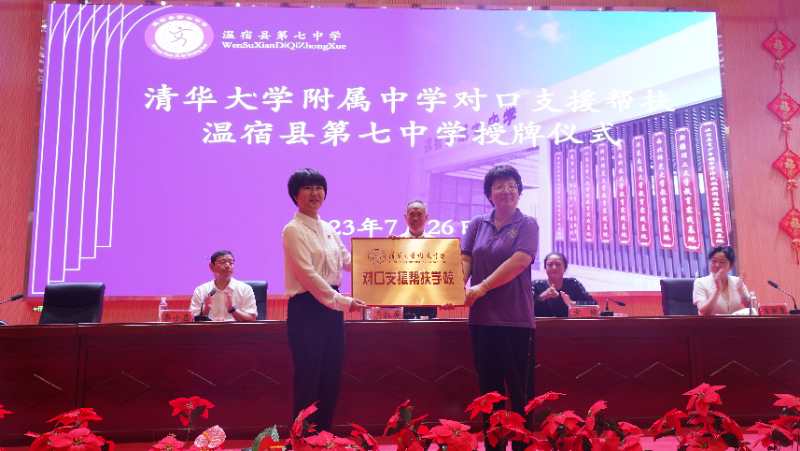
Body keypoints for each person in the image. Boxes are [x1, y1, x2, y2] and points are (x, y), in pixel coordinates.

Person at [282, 168, 367, 431]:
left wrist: (385, 254)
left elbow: (348, 261)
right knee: (309, 378)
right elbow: (308, 276)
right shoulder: (293, 230)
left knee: (330, 375)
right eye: (307, 188)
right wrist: (344, 301)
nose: (315, 193)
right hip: (307, 309)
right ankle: (303, 440)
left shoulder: (328, 227)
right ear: (295, 195)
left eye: (319, 187)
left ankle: (324, 438)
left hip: (331, 309)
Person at [461, 164, 538, 451]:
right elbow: (466, 259)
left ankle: (521, 446)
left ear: (519, 191)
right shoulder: (477, 224)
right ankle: (494, 447)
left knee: (519, 392)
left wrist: (482, 287)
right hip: (482, 319)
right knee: (488, 392)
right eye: (499, 186)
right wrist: (455, 285)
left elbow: (519, 261)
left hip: (515, 319)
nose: (506, 190)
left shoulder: (527, 224)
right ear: (489, 193)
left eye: (512, 185)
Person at [189, 250, 257, 322]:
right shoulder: (201, 291)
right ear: (211, 266)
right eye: (223, 262)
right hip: (210, 328)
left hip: (235, 328)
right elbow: (193, 321)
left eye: (231, 263)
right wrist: (206, 309)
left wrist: (232, 309)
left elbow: (252, 319)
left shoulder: (245, 289)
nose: (227, 265)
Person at [396, 200, 436, 319]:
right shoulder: (396, 242)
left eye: (419, 214)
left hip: (429, 299)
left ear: (426, 217)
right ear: (405, 217)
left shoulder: (436, 244)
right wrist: (389, 248)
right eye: (412, 214)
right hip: (403, 299)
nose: (415, 218)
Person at [693, 245, 753, 316]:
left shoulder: (737, 281)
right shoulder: (700, 282)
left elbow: (750, 308)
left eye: (722, 262)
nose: (717, 265)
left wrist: (741, 292)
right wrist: (717, 290)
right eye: (714, 261)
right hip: (712, 323)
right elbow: (703, 312)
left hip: (737, 322)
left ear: (730, 266)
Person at [533, 252, 595, 318]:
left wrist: (572, 303)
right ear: (545, 268)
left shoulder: (573, 284)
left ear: (565, 268)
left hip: (569, 324)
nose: (554, 268)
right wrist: (542, 297)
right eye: (550, 264)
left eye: (558, 264)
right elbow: (526, 308)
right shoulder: (536, 285)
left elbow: (593, 304)